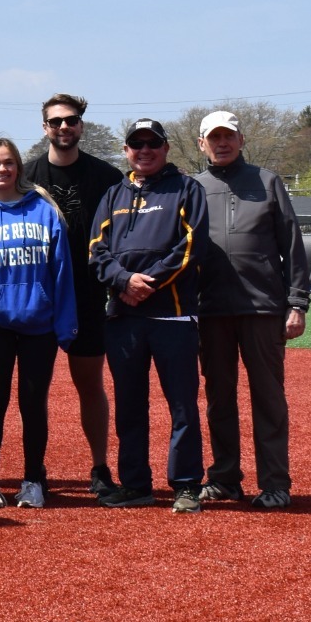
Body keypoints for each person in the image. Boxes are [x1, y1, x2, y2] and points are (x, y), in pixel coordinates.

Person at [89, 118, 209, 513]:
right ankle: (135, 484)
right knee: (129, 405)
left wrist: (147, 283)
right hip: (124, 317)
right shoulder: (113, 195)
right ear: (126, 150)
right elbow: (96, 251)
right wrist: (124, 281)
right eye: (136, 144)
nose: (144, 150)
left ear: (165, 148)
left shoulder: (187, 189)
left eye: (152, 143)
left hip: (172, 317)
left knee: (182, 406)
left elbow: (191, 246)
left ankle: (186, 484)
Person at [193, 110, 308, 510]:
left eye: (229, 136)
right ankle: (224, 478)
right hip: (211, 311)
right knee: (218, 398)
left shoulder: (268, 181)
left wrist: (297, 303)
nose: (222, 143)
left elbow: (292, 245)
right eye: (214, 137)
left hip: (263, 309)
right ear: (201, 144)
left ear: (242, 140)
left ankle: (275, 483)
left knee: (269, 399)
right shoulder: (194, 187)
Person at [0, 138, 78, 509]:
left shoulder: (45, 211)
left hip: (39, 325)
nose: (2, 170)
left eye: (9, 163)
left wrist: (65, 324)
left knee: (33, 404)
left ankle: (32, 480)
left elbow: (61, 271)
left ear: (19, 168)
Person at [20, 93, 122, 495]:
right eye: (56, 121)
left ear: (81, 125)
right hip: (39, 299)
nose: (64, 127)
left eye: (72, 120)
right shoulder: (26, 177)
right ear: (45, 127)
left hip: (87, 297)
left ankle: (99, 467)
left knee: (90, 384)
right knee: (34, 389)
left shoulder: (107, 178)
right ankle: (35, 469)